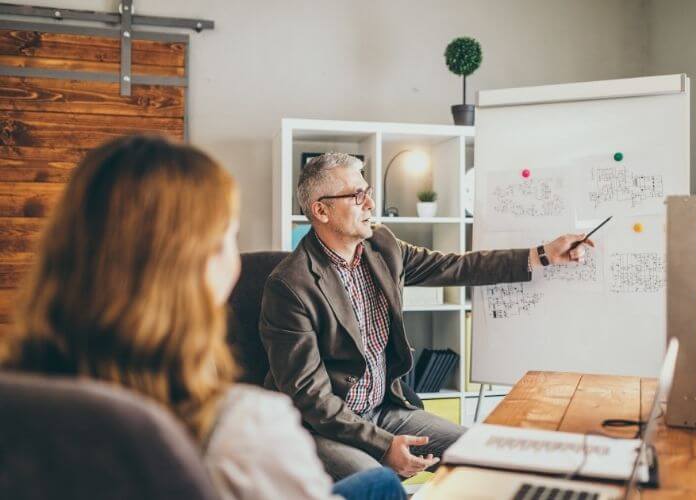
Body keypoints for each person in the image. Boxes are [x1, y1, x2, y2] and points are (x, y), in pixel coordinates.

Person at [0, 137, 404, 500]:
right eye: (231, 235)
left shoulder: (21, 402)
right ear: (202, 266)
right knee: (382, 486)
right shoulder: (245, 427)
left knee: (379, 483)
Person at [260, 152, 593, 480]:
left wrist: (542, 255)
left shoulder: (381, 245)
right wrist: (383, 445)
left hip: (384, 410)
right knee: (377, 483)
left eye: (368, 192)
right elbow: (311, 397)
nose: (370, 205)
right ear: (321, 210)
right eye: (357, 195)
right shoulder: (290, 286)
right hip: (320, 428)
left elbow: (456, 266)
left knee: (481, 454)